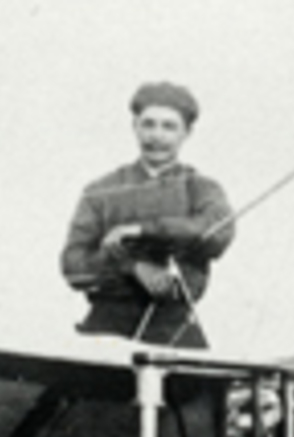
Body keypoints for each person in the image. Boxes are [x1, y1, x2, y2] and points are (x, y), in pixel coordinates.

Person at [60, 81, 234, 348]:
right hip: (107, 327)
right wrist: (133, 268)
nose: (156, 136)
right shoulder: (101, 190)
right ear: (135, 126)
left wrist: (144, 230)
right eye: (148, 124)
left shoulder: (202, 188)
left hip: (173, 327)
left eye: (169, 126)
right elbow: (73, 265)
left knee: (204, 388)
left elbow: (218, 231)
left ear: (187, 132)